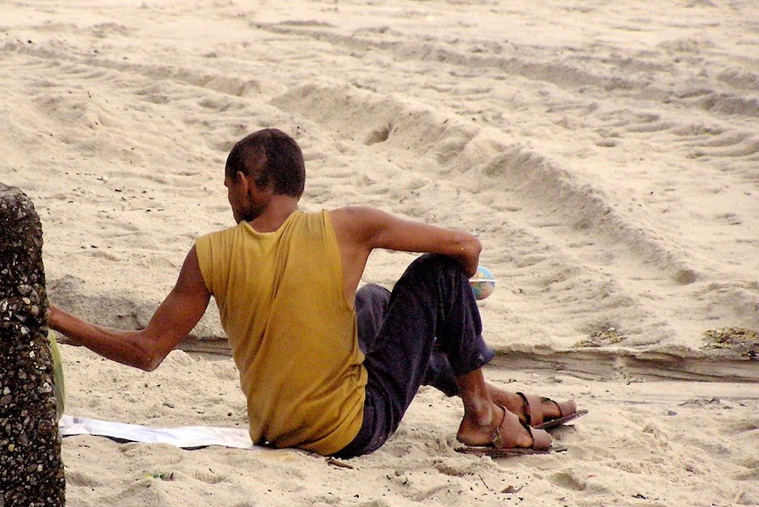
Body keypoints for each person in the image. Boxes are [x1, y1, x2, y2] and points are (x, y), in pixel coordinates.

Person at [48, 128, 582, 457]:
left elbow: (145, 353)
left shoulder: (208, 253)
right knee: (438, 274)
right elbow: (466, 247)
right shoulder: (349, 227)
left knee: (373, 301)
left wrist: (53, 315)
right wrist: (464, 295)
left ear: (246, 182)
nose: (228, 196)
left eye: (228, 185)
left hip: (276, 431)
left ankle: (499, 400)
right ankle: (483, 417)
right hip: (350, 431)